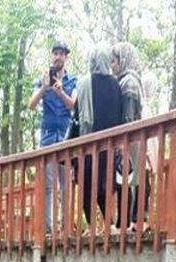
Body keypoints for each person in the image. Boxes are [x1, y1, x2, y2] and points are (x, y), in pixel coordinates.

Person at [68, 46, 123, 226]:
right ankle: (108, 225)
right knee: (104, 189)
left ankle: (95, 227)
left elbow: (78, 116)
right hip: (109, 146)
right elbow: (120, 115)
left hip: (88, 146)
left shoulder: (84, 83)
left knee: (86, 189)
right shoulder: (115, 84)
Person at [28, 42, 76, 233]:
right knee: (48, 186)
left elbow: (73, 105)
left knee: (66, 186)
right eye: (55, 53)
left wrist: (59, 91)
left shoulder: (73, 81)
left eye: (61, 54)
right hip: (47, 137)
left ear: (66, 57)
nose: (58, 57)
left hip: (66, 136)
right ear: (51, 56)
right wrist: (44, 88)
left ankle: (65, 228)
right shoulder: (42, 80)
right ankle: (48, 230)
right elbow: (31, 105)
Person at [112, 41, 146, 228]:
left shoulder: (129, 82)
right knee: (125, 180)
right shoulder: (125, 80)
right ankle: (126, 222)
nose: (112, 65)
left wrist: (123, 142)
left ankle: (131, 222)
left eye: (115, 61)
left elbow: (129, 115)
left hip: (130, 138)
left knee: (128, 180)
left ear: (123, 60)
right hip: (130, 138)